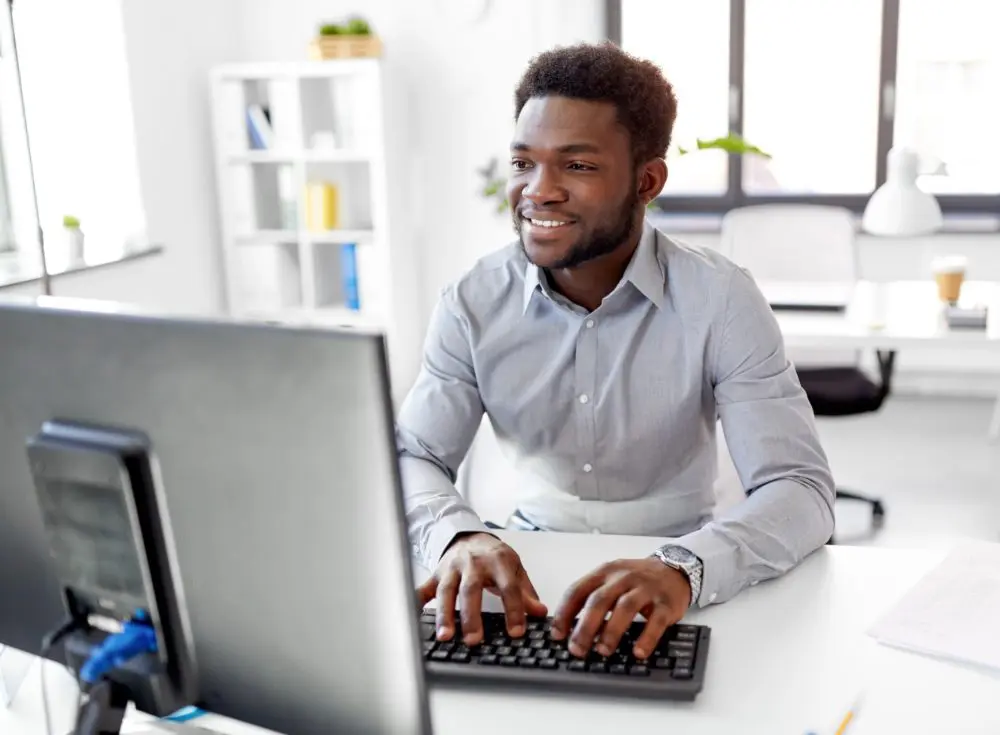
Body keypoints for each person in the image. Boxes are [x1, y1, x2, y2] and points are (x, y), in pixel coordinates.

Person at [396, 42, 834, 662]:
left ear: (647, 181)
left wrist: (686, 569)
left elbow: (799, 488)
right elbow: (414, 454)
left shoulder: (721, 299)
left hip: (683, 571)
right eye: (524, 162)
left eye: (576, 167)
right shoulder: (472, 302)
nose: (538, 192)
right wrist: (457, 536)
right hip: (528, 574)